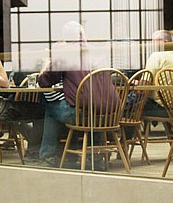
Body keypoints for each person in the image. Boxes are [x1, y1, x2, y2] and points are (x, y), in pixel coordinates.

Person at [36, 21, 116, 166]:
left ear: (66, 37)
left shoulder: (67, 53)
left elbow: (45, 81)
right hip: (109, 115)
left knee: (51, 108)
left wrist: (45, 66)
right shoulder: (97, 51)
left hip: (81, 115)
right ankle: (95, 159)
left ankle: (48, 156)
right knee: (92, 107)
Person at [142, 29, 173, 118]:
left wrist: (132, 83)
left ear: (164, 42)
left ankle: (117, 128)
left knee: (125, 108)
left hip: (161, 107)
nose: (152, 45)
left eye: (154, 41)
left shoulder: (157, 55)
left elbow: (143, 87)